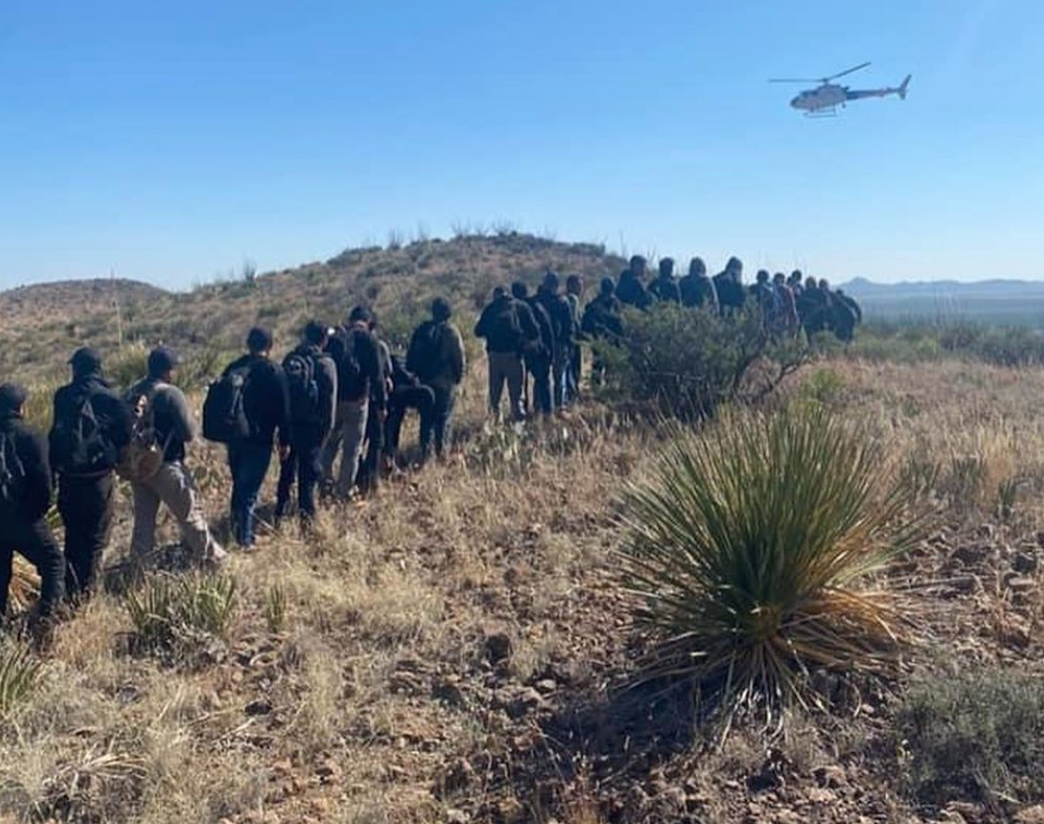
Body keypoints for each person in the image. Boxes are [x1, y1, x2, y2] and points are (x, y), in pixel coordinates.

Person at [125, 346, 226, 568]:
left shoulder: (132, 392)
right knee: (190, 517)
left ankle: (139, 571)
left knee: (143, 525)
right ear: (167, 371)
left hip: (139, 466)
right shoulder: (170, 393)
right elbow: (188, 433)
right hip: (166, 465)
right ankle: (213, 561)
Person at [49, 347, 132, 600]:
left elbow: (55, 435)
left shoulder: (62, 396)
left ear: (76, 369)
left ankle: (69, 591)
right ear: (98, 368)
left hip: (68, 480)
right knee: (95, 540)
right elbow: (125, 436)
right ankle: (86, 596)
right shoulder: (110, 399)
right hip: (98, 479)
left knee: (73, 538)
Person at [215, 328, 289, 549]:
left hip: (235, 438)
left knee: (239, 485)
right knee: (249, 492)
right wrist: (284, 440)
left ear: (248, 344)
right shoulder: (273, 371)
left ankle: (235, 530)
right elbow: (284, 410)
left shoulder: (234, 367)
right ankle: (244, 540)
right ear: (270, 346)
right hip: (260, 439)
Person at [0, 383, 65, 629]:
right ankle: (46, 624)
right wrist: (34, 515)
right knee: (53, 562)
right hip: (24, 518)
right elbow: (45, 485)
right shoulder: (32, 437)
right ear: (21, 408)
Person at [276, 322, 338, 527]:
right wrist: (326, 432)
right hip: (313, 428)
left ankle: (280, 514)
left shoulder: (291, 359)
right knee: (307, 478)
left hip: (291, 425)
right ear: (324, 339)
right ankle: (307, 523)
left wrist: (282, 430)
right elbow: (329, 404)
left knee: (286, 473)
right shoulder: (326, 363)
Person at [322, 307, 385, 500]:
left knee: (330, 444)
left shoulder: (336, 338)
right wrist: (381, 405)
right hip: (357, 402)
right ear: (368, 322)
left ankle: (323, 484)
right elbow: (377, 377)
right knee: (352, 450)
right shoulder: (370, 340)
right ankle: (344, 491)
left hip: (334, 401)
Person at [406, 298, 466, 460]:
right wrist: (458, 378)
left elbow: (410, 358)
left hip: (424, 381)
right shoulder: (451, 332)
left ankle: (425, 452)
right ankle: (442, 452)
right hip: (444, 381)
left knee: (426, 418)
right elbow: (459, 358)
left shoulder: (422, 330)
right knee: (444, 417)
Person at [474, 286, 527, 421]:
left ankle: (495, 423)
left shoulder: (490, 309)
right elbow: (533, 330)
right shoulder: (519, 306)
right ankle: (517, 422)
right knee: (516, 393)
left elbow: (478, 331)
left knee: (495, 394)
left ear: (495, 295)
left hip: (495, 355)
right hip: (514, 356)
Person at [355, 313, 392, 494]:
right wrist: (382, 405)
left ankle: (357, 475)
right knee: (376, 439)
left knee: (356, 443)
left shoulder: (344, 341)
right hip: (370, 398)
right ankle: (371, 479)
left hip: (349, 400)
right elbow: (380, 376)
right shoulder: (375, 343)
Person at [383, 353, 436, 466]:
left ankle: (391, 456)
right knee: (391, 426)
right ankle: (389, 456)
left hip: (394, 395)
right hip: (393, 396)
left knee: (391, 426)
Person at [537, 272, 576, 410]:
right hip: (557, 343)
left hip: (544, 343)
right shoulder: (562, 301)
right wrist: (569, 343)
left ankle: (541, 406)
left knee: (542, 377)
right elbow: (569, 325)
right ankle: (558, 406)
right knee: (558, 377)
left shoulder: (538, 301)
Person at [510, 282, 548, 416]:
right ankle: (539, 408)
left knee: (521, 381)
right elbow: (542, 327)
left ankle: (523, 408)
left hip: (517, 350)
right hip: (534, 348)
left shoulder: (511, 307)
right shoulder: (534, 306)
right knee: (540, 378)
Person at [581, 278, 624, 386]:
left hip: (601, 338)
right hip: (608, 339)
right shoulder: (614, 303)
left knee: (600, 366)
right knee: (606, 367)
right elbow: (620, 322)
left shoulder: (596, 303)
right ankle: (605, 389)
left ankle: (599, 389)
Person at [565, 275, 584, 402]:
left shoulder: (564, 298)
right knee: (573, 366)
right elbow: (574, 319)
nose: (581, 288)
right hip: (573, 338)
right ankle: (572, 393)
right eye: (578, 285)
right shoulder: (573, 299)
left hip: (567, 338)